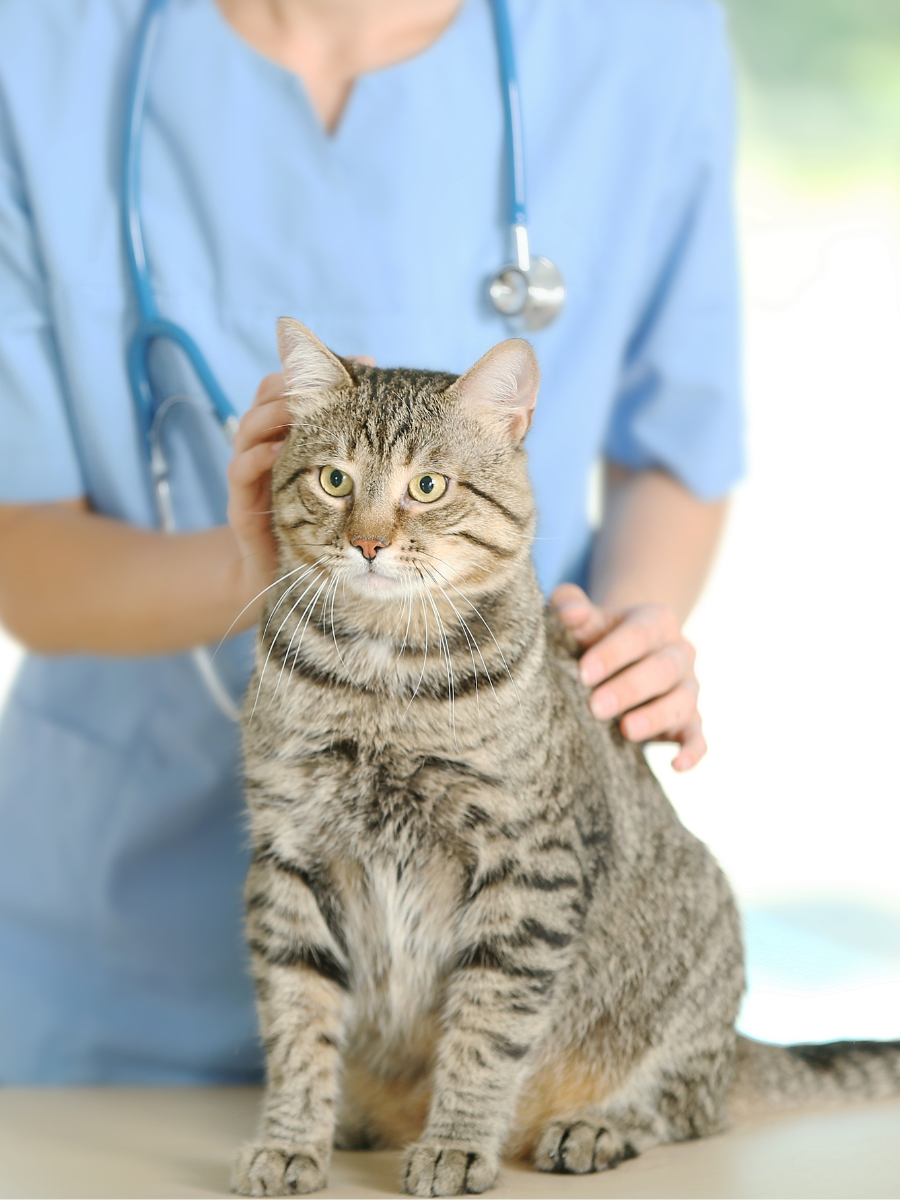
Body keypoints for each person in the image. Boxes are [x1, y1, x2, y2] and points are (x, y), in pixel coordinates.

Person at [0, 0, 741, 1083]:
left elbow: (678, 445)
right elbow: (24, 550)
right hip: (118, 968)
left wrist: (622, 638)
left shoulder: (640, 35)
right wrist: (257, 568)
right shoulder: (37, 45)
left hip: (496, 966)